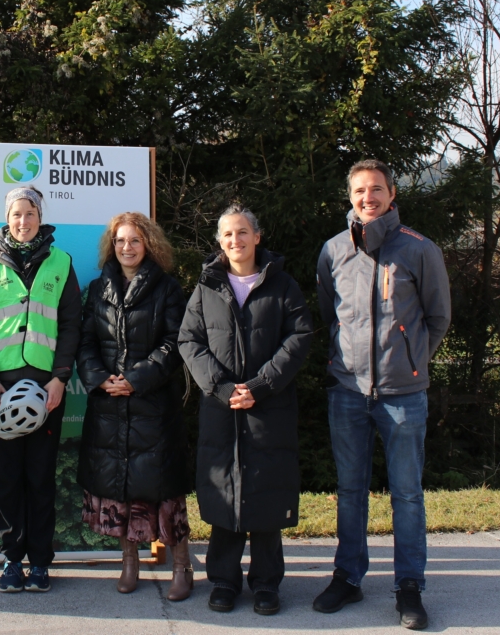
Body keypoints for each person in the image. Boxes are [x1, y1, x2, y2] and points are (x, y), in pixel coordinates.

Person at [313, 159, 451, 631]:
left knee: (407, 495)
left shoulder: (419, 250)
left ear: (392, 194)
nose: (367, 197)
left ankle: (408, 587)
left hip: (402, 395)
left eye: (376, 189)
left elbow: (438, 318)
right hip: (348, 391)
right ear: (349, 196)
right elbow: (329, 316)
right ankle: (348, 578)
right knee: (350, 492)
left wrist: (412, 361)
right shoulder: (332, 251)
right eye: (359, 190)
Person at [178, 204, 312, 616]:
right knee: (224, 494)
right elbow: (189, 341)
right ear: (219, 242)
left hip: (268, 409)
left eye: (242, 233)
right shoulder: (206, 288)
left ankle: (267, 585)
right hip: (221, 410)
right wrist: (220, 387)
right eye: (227, 235)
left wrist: (260, 386)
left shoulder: (283, 285)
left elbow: (299, 337)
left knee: (267, 497)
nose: (235, 240)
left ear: (257, 236)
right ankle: (223, 582)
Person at [0, 185, 82, 593]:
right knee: (9, 479)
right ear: (7, 218)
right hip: (1, 388)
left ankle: (41, 563)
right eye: (16, 214)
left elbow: (71, 326)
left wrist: (60, 378)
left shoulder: (61, 262)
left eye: (30, 213)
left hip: (46, 389)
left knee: (40, 479)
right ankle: (12, 560)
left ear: (40, 216)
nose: (23, 221)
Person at [77, 212, 192, 600]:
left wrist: (137, 379)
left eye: (135, 241)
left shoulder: (167, 288)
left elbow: (176, 343)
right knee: (120, 489)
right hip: (110, 405)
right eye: (121, 241)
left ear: (149, 245)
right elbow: (86, 341)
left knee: (163, 489)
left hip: (152, 406)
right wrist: (100, 377)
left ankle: (181, 566)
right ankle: (130, 564)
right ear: (113, 245)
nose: (127, 247)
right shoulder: (97, 289)